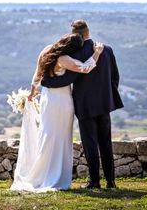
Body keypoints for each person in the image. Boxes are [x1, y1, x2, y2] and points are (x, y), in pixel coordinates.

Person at [10, 33, 104, 192]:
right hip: (62, 101)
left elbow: (37, 75)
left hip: (48, 99)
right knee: (60, 137)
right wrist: (97, 52)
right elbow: (84, 68)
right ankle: (55, 175)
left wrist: (32, 92)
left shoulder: (46, 50)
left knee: (48, 134)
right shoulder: (64, 59)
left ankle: (41, 173)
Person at [41, 19, 123, 189]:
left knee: (90, 143)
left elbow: (68, 79)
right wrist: (107, 96)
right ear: (88, 31)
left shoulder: (75, 54)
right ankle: (111, 181)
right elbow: (115, 77)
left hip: (85, 105)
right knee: (106, 142)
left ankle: (94, 181)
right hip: (104, 103)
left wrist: (46, 82)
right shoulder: (107, 50)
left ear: (74, 34)